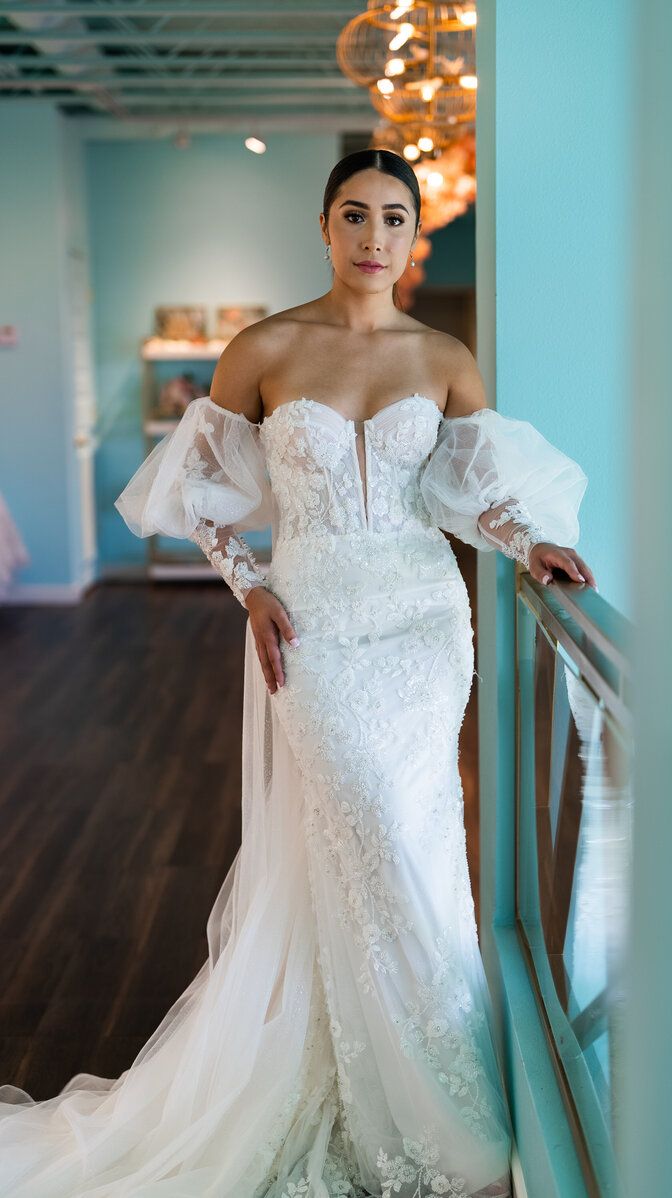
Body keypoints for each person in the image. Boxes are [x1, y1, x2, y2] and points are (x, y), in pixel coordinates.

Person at [0, 149, 594, 1197]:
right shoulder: (263, 347)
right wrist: (250, 586)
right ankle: (414, 1097)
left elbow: (472, 491)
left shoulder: (444, 355)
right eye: (355, 215)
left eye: (396, 219)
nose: (375, 237)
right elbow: (195, 496)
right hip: (314, 621)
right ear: (323, 227)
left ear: (415, 235)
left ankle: (421, 1070)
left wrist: (528, 542)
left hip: (422, 623)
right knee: (367, 819)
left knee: (416, 830)